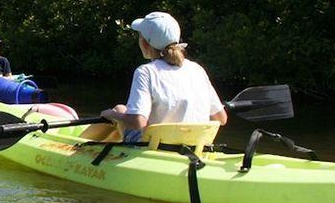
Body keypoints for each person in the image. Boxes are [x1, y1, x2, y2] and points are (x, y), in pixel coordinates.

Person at [80, 11, 228, 142]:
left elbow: (138, 122)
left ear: (145, 43)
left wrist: (111, 115)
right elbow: (221, 118)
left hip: (154, 149)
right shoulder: (197, 69)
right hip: (195, 146)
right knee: (121, 112)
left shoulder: (145, 72)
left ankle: (72, 147)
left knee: (119, 110)